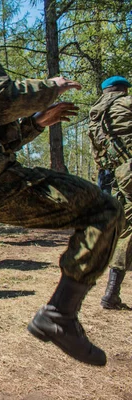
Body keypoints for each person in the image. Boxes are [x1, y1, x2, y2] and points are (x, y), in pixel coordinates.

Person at [0, 4, 123, 399]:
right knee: (105, 208)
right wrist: (52, 85)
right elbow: (0, 99)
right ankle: (60, 313)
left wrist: (36, 123)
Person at [88, 75, 132, 310]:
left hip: (108, 175)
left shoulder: (95, 112)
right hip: (128, 172)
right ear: (123, 90)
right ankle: (111, 293)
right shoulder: (127, 104)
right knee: (127, 230)